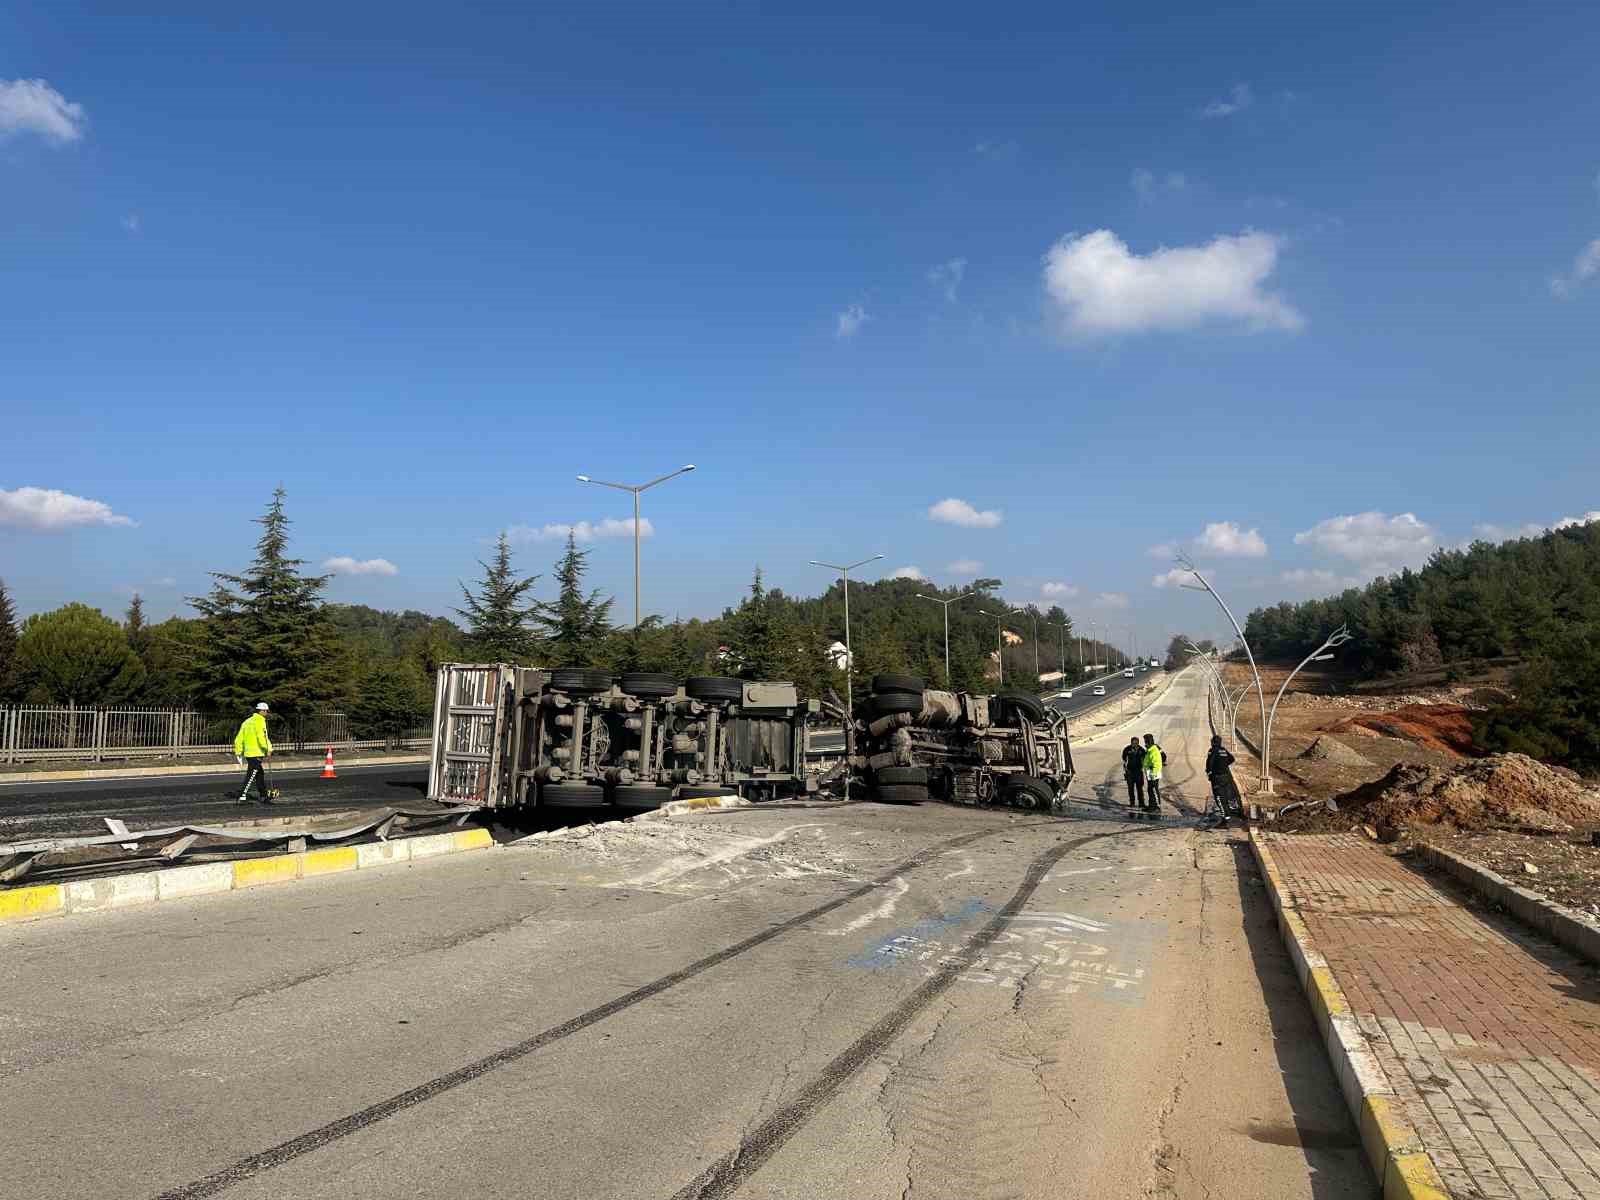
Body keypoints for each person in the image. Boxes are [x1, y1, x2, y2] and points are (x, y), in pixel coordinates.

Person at [234, 701, 274, 805]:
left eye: (266, 711)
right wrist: (268, 749)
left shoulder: (247, 721)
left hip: (249, 753)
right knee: (251, 776)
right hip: (256, 753)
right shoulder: (260, 721)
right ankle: (242, 797)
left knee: (259, 774)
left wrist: (238, 752)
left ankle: (264, 796)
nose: (266, 712)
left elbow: (239, 738)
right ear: (260, 711)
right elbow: (262, 738)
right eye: (265, 711)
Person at [1205, 735, 1237, 821]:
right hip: (1225, 777)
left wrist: (1209, 773)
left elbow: (1209, 763)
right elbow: (1232, 759)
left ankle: (1225, 820)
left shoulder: (1212, 750)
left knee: (1219, 797)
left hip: (1217, 777)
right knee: (1225, 796)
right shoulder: (1223, 750)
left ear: (1213, 742)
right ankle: (1227, 815)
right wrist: (1223, 764)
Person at [1121, 736, 1146, 811]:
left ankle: (1141, 803)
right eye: (1133, 742)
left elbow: (1144, 759)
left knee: (1139, 789)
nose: (1134, 744)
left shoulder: (1141, 750)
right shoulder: (1127, 749)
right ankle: (1132, 802)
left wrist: (1142, 767)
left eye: (1136, 743)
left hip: (1138, 772)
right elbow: (1124, 758)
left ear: (1138, 743)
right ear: (1131, 742)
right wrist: (1125, 769)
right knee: (1130, 789)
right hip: (1130, 772)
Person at [1142, 733, 1164, 813]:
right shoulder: (1150, 750)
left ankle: (1154, 807)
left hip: (1153, 775)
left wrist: (1153, 775)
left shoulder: (1153, 751)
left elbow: (1157, 764)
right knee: (1150, 790)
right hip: (1150, 774)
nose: (1145, 743)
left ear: (1148, 742)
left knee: (1152, 790)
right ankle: (1151, 805)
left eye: (1145, 741)